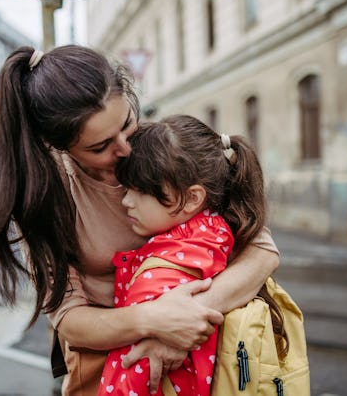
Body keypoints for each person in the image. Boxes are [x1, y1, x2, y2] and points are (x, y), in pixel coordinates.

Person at [0, 45, 280, 395]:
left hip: (208, 359)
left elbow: (261, 250)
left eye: (127, 124)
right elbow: (70, 319)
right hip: (111, 371)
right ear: (58, 145)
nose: (125, 148)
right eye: (100, 146)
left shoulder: (162, 151)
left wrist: (184, 323)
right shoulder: (43, 197)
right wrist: (152, 322)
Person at [98, 115, 280, 396]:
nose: (126, 201)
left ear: (193, 198)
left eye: (140, 191)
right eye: (126, 189)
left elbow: (139, 369)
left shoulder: (167, 266)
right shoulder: (217, 231)